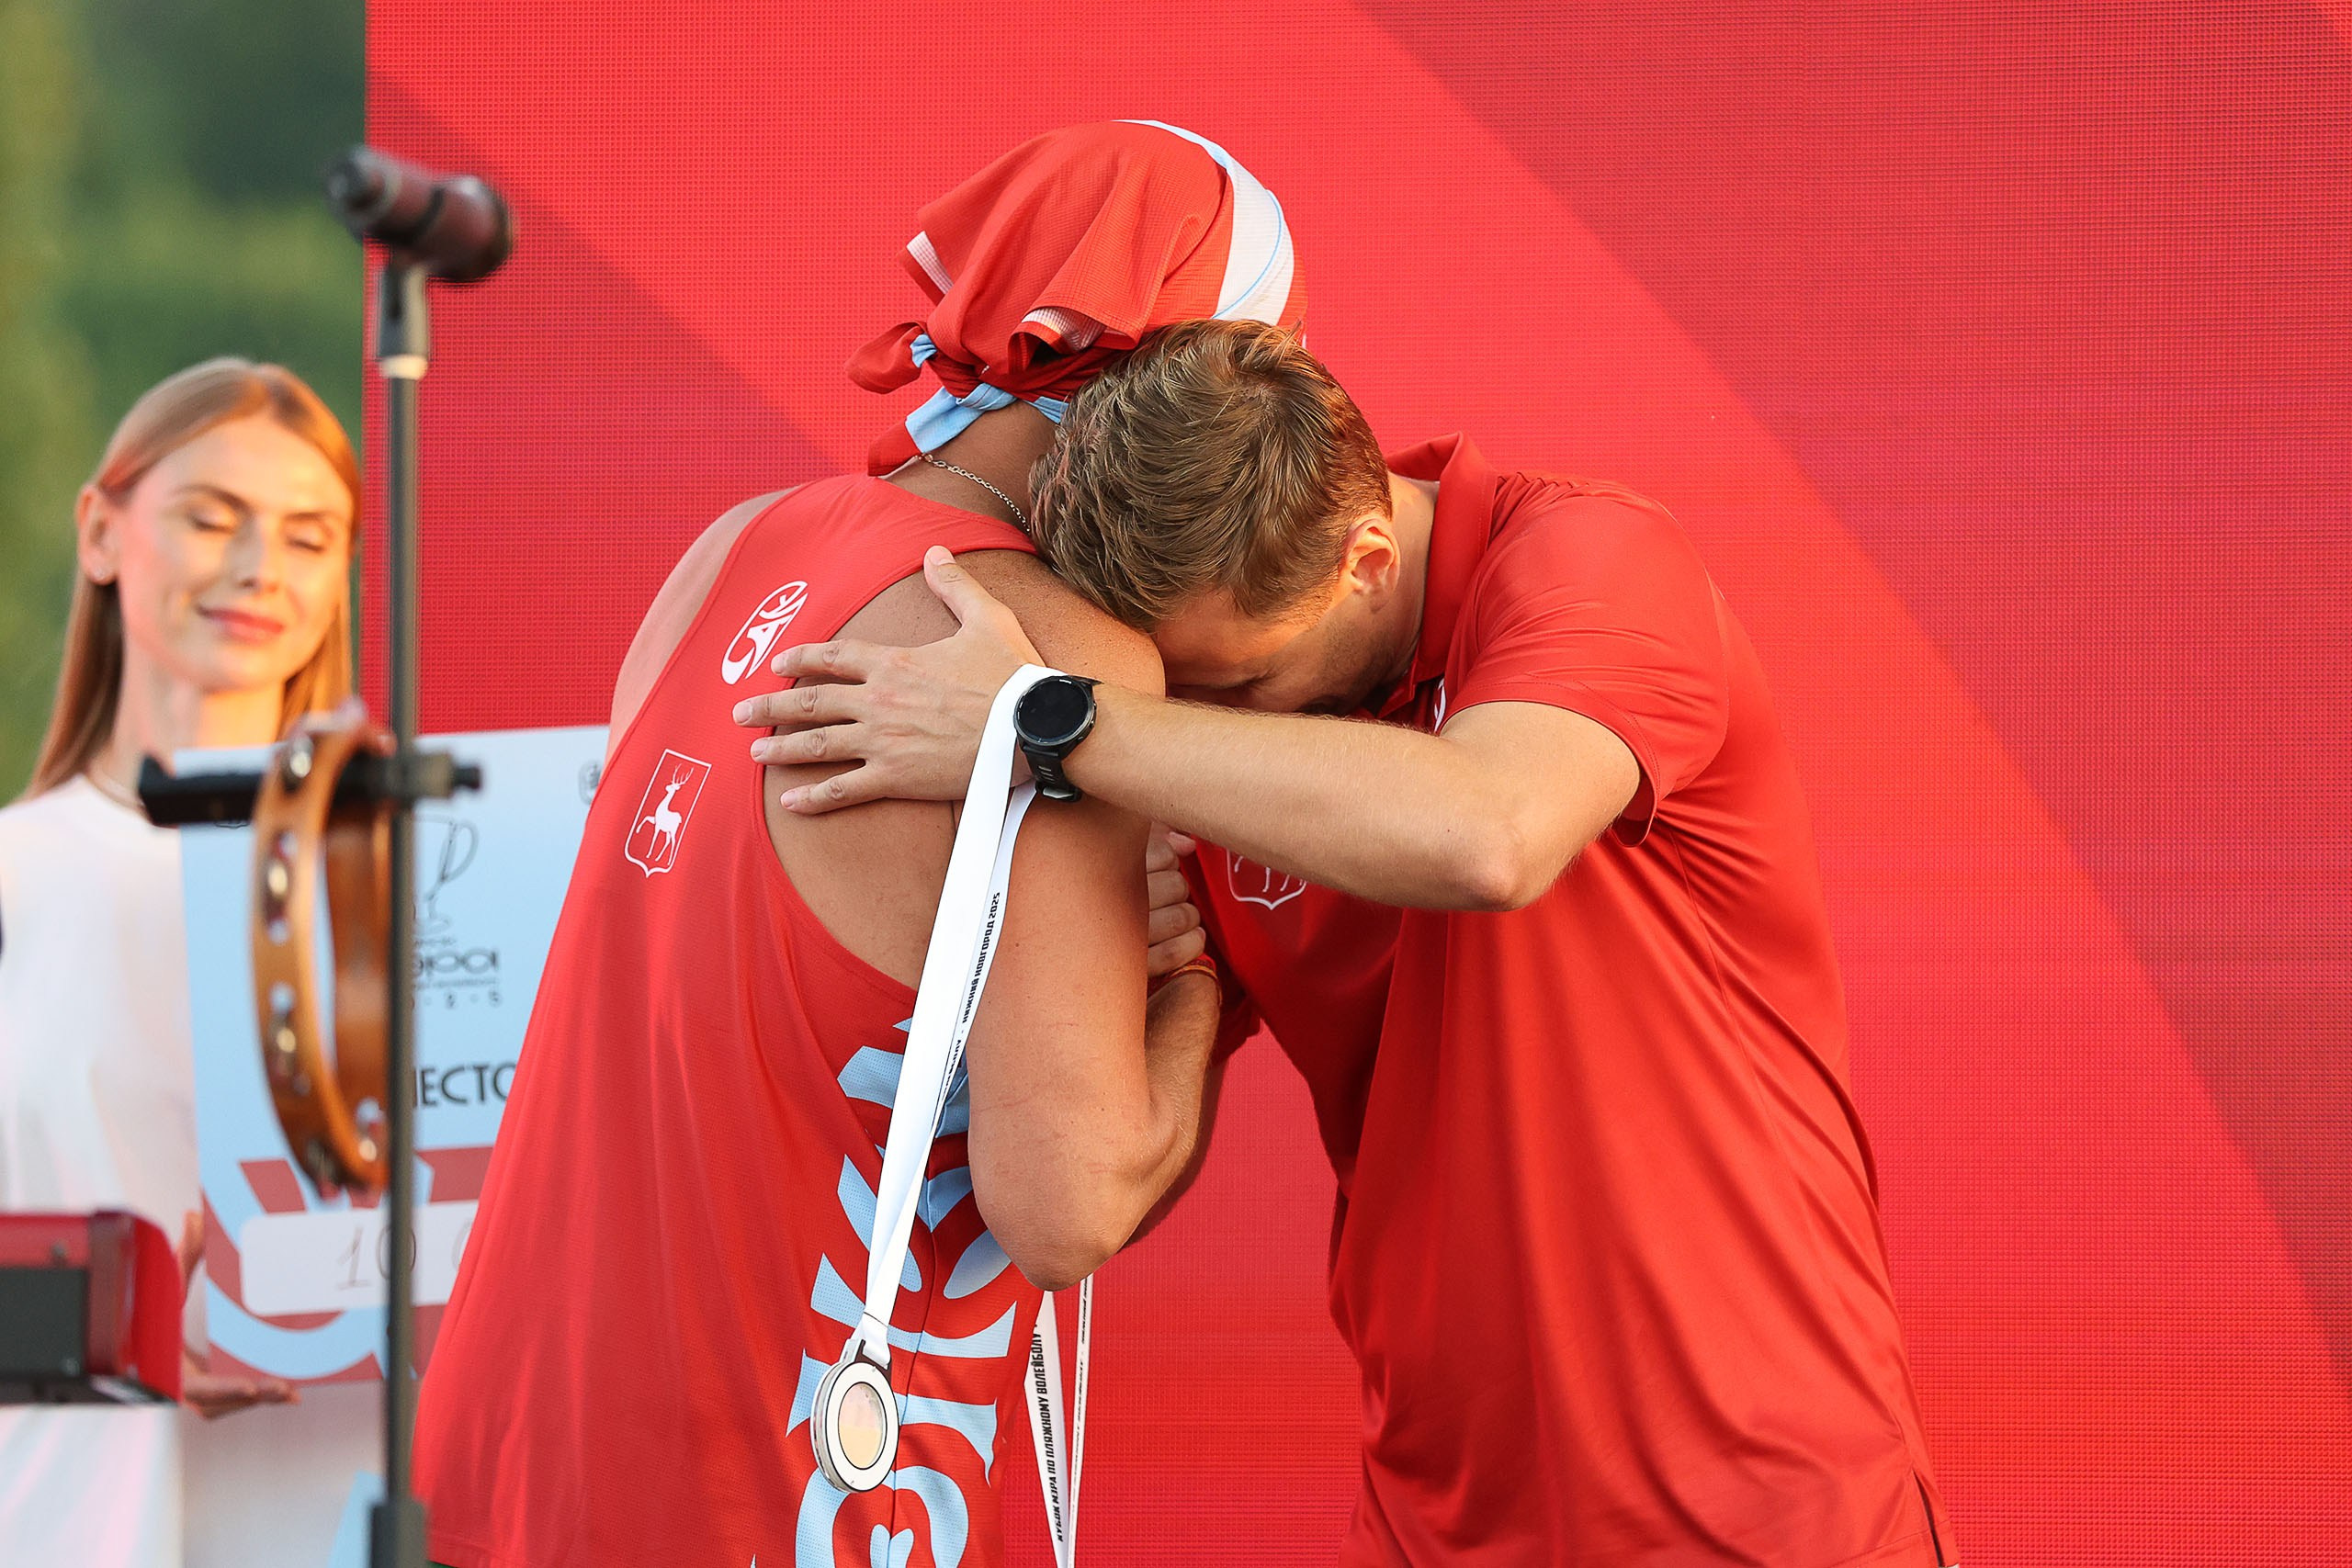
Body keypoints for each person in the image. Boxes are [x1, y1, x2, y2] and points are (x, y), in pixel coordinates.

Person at [737, 321, 1957, 1566]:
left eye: (1236, 690)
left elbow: (1489, 833)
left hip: (1761, 1497)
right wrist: (1188, 977)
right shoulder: (1162, 747)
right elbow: (1083, 1201)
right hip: (1436, 1509)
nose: (1194, 727)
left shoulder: (1594, 562)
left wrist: (1047, 719)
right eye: (1170, 693)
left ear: (1366, 560)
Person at [413, 122, 1301, 1568]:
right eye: (1270, 373)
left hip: (505, 1453)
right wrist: (1202, 985)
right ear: (1186, 373)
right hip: (767, 1489)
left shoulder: (741, 540)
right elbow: (1068, 1203)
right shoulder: (1056, 655)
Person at [0, 357, 381, 1567]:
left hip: (328, 1522)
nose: (260, 566)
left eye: (309, 538)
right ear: (101, 532)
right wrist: (116, 1331)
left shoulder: (398, 885)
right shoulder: (16, 874)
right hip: (54, 1526)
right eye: (212, 518)